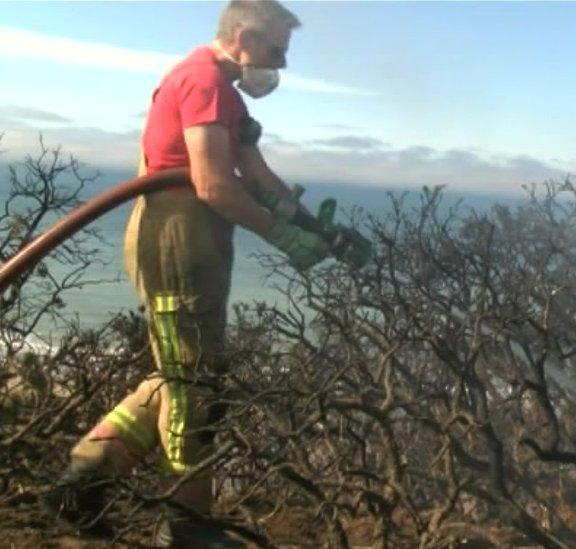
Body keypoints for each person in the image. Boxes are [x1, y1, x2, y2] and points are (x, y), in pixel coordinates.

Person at [42, 1, 369, 546]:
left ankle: (83, 481)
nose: (281, 66)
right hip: (176, 242)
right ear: (242, 37)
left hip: (194, 242)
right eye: (276, 51)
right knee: (194, 388)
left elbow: (256, 174)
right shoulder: (203, 83)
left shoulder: (224, 92)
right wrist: (284, 237)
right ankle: (189, 529)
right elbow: (216, 185)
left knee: (184, 372)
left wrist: (317, 229)